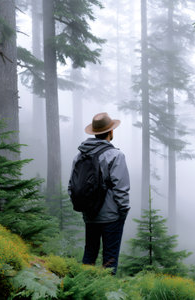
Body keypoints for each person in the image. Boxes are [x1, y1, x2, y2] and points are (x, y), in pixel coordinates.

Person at [68, 112, 130, 275]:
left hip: (89, 214)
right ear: (110, 132)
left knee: (89, 254)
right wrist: (123, 210)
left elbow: (71, 186)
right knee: (109, 259)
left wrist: (86, 207)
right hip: (111, 216)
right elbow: (121, 188)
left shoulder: (80, 155)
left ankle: (83, 288)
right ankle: (106, 292)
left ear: (95, 132)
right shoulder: (116, 155)